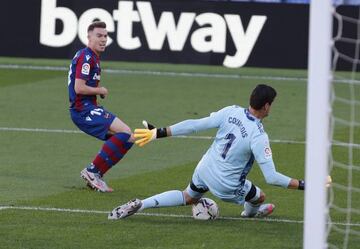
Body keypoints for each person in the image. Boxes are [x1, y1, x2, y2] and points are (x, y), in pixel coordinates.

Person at [108, 84, 306, 219]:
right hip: (227, 184)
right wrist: (305, 185)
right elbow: (271, 177)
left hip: (205, 168)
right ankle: (249, 214)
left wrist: (158, 133)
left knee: (188, 197)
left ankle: (142, 204)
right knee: (259, 196)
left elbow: (194, 125)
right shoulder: (259, 135)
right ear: (266, 106)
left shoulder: (231, 111)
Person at [68, 21, 134, 193]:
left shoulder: (91, 57)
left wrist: (97, 93)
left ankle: (96, 175)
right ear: (89, 37)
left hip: (89, 107)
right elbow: (79, 87)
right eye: (99, 36)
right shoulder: (87, 57)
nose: (103, 39)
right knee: (126, 133)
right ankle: (91, 171)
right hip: (83, 110)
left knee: (129, 138)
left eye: (105, 36)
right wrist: (100, 89)